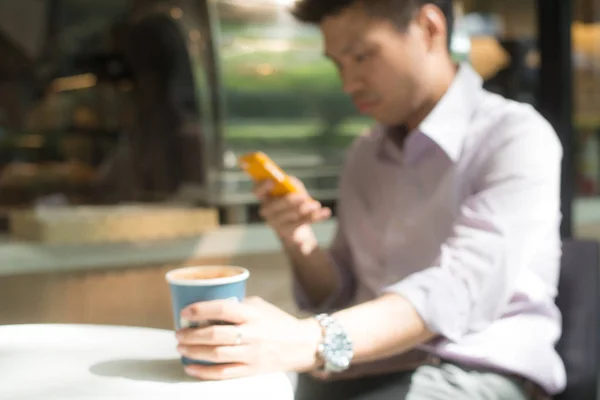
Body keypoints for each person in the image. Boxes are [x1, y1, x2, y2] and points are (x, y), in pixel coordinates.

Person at [175, 1, 564, 399]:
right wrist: (299, 240)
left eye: (361, 56)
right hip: (360, 366)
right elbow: (341, 293)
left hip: (472, 368)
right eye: (338, 64)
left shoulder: (515, 137)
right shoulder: (366, 153)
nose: (349, 83)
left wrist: (307, 339)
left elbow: (458, 291)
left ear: (429, 28)